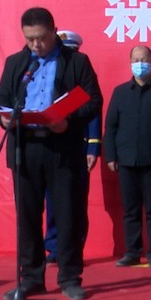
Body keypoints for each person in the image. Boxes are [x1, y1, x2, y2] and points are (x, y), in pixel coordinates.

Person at [0, 7, 102, 300]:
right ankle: (31, 279)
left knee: (67, 213)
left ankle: (69, 277)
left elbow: (93, 99)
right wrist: (3, 116)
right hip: (25, 148)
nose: (36, 45)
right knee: (28, 216)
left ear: (54, 31)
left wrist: (68, 120)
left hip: (62, 148)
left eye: (41, 38)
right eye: (29, 39)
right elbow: (0, 99)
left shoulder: (76, 61)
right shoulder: (17, 63)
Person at [104, 46, 151, 268]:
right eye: (136, 60)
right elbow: (110, 127)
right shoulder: (120, 92)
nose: (140, 64)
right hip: (126, 160)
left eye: (144, 59)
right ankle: (132, 252)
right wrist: (111, 156)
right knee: (130, 209)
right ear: (130, 63)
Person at [43, 30, 101, 264]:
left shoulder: (83, 76)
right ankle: (53, 247)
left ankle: (74, 248)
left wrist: (92, 147)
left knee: (75, 202)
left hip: (78, 147)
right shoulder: (48, 78)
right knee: (52, 202)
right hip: (51, 149)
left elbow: (93, 114)